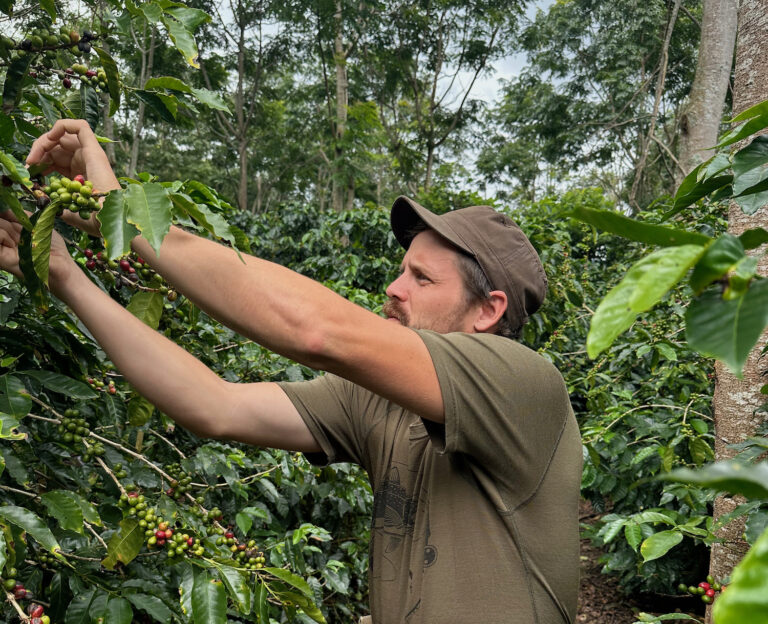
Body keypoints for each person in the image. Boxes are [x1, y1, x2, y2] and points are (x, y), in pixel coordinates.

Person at [0, 119, 581, 624]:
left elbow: (317, 332)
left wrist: (121, 210)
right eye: (401, 271)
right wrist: (67, 279)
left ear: (489, 311)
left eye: (422, 280)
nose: (393, 290)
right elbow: (215, 405)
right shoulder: (381, 404)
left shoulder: (523, 386)